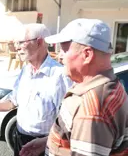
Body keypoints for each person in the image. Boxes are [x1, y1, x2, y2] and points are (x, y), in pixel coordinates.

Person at [20, 18, 128, 156]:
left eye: (64, 50)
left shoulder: (91, 109)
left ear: (87, 55)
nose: (60, 56)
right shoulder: (110, 86)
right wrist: (49, 142)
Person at [0, 23, 72, 156]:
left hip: (45, 145)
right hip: (20, 138)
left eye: (21, 42)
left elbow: (67, 122)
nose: (16, 47)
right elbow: (13, 102)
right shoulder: (25, 71)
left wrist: (48, 142)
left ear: (39, 42)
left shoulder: (60, 75)